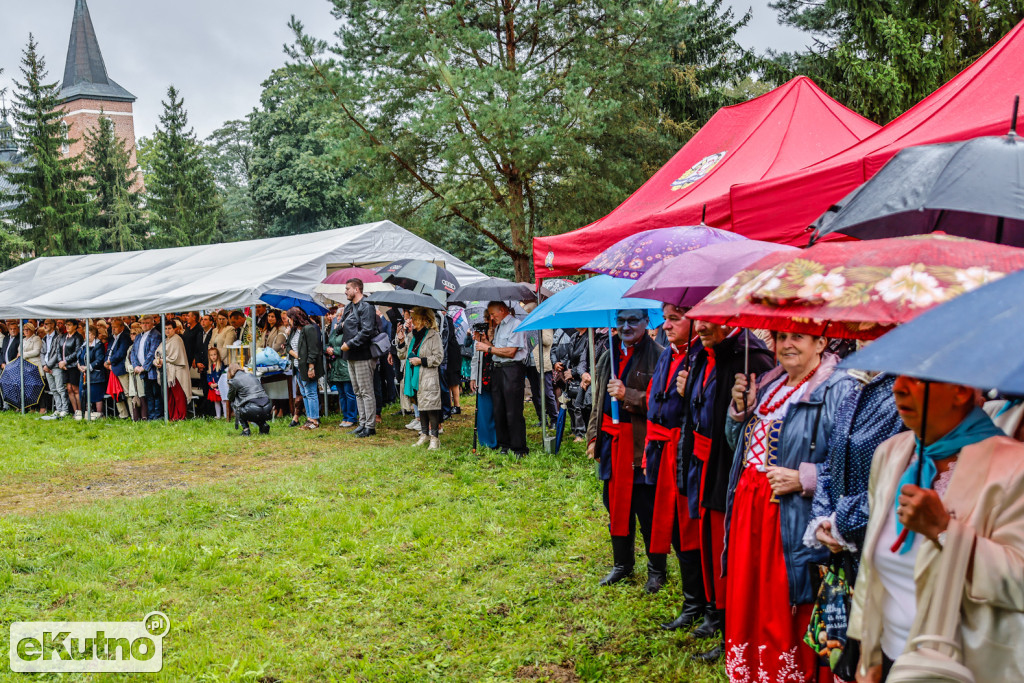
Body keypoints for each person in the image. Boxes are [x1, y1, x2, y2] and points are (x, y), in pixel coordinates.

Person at [849, 378, 1024, 682]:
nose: (898, 387)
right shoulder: (891, 453)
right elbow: (870, 565)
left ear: (961, 391)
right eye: (899, 374)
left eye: (918, 379)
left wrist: (943, 530)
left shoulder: (1014, 467)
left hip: (968, 669)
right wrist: (869, 651)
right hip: (894, 661)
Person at [723, 332, 855, 682]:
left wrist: (804, 478)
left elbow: (852, 467)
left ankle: (788, 672)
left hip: (789, 517)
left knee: (783, 598)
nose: (787, 345)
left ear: (821, 343)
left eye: (798, 337)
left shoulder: (838, 388)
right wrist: (739, 411)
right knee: (751, 594)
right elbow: (738, 446)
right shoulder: (769, 384)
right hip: (750, 509)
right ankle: (754, 670)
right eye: (782, 337)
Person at [676, 320, 775, 660]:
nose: (701, 325)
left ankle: (732, 629)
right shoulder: (708, 355)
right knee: (710, 543)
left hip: (731, 470)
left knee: (729, 551)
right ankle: (716, 616)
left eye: (709, 318)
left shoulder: (753, 358)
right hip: (705, 461)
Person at [586, 309, 662, 588]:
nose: (626, 326)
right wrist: (593, 436)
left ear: (646, 322)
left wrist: (626, 394)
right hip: (611, 443)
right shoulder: (608, 355)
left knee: (646, 507)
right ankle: (622, 564)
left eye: (633, 320)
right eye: (621, 321)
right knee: (615, 504)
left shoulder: (660, 356)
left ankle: (657, 570)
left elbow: (662, 403)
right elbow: (598, 399)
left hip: (641, 445)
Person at [642, 305, 702, 607]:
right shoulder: (668, 354)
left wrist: (691, 391)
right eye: (665, 319)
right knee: (674, 524)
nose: (665, 326)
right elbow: (654, 403)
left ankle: (699, 603)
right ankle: (691, 601)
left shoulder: (701, 356)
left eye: (674, 319)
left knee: (689, 528)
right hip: (661, 449)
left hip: (685, 453)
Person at [476, 302, 529, 457]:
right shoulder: (499, 327)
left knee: (513, 409)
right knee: (499, 409)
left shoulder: (516, 324)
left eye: (493, 314)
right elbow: (497, 350)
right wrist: (485, 341)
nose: (491, 318)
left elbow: (511, 352)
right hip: (498, 369)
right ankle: (504, 445)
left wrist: (488, 348)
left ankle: (519, 448)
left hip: (512, 370)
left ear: (502, 310)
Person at [397, 306, 445, 449]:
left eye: (415, 318)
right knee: (421, 405)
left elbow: (438, 357)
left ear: (425, 320)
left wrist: (421, 361)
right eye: (412, 318)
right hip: (413, 376)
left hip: (427, 377)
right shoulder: (411, 336)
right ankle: (424, 434)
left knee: (430, 407)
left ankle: (434, 438)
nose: (412, 321)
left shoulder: (433, 335)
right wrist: (401, 341)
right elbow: (402, 355)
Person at [339, 279, 377, 437]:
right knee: (357, 391)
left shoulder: (366, 306)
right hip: (350, 354)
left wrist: (350, 344)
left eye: (348, 288)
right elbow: (340, 325)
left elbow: (367, 330)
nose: (345, 291)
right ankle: (362, 423)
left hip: (363, 353)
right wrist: (340, 326)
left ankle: (370, 426)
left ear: (357, 289)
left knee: (366, 391)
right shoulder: (349, 307)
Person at [288, 306, 323, 430]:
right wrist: (296, 355)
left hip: (307, 365)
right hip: (297, 366)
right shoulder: (293, 331)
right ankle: (309, 418)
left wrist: (311, 367)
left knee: (311, 392)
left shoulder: (309, 329)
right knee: (304, 393)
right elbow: (287, 346)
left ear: (295, 318)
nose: (288, 321)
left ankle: (314, 420)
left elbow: (313, 350)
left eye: (289, 318)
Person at [154, 319, 191, 421]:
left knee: (178, 396)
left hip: (176, 372)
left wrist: (163, 360)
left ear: (175, 329)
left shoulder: (177, 339)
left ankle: (181, 416)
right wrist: (157, 361)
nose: (167, 331)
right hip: (167, 371)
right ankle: (173, 416)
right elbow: (157, 353)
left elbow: (175, 357)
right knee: (169, 396)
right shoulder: (165, 340)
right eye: (165, 328)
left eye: (169, 328)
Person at [326, 306, 358, 428]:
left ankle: (352, 417)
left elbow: (349, 347)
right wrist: (327, 349)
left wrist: (334, 350)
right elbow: (328, 343)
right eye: (338, 316)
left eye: (341, 316)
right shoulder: (335, 330)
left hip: (345, 364)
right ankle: (345, 417)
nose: (338, 318)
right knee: (342, 394)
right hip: (336, 366)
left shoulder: (349, 330)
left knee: (349, 393)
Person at [131, 316, 163, 421]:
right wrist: (136, 366)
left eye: (147, 323)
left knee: (156, 393)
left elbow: (152, 353)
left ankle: (157, 415)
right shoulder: (139, 336)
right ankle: (151, 415)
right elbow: (133, 352)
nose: (144, 325)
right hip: (143, 371)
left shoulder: (156, 335)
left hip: (152, 370)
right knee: (148, 394)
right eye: (143, 323)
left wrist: (144, 367)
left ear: (152, 323)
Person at [227, 363, 272, 436]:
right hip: (268, 408)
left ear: (230, 372)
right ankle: (263, 424)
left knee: (234, 403)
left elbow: (230, 397)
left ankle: (246, 430)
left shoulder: (234, 380)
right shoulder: (251, 375)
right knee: (255, 407)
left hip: (253, 409)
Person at [76, 322, 106, 420]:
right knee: (84, 394)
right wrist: (79, 365)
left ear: (93, 335)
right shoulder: (84, 344)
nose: (86, 335)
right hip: (83, 374)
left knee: (96, 396)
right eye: (85, 333)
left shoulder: (98, 345)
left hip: (95, 376)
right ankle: (85, 415)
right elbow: (79, 356)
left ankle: (99, 415)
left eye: (88, 333)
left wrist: (88, 367)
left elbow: (99, 359)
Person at [41, 320, 70, 419]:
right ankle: (58, 409)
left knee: (60, 389)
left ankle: (65, 409)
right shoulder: (44, 338)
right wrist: (44, 365)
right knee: (53, 389)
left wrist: (48, 365)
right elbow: (42, 352)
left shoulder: (59, 337)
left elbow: (58, 353)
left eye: (47, 324)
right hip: (47, 367)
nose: (44, 326)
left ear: (53, 325)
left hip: (56, 366)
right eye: (44, 324)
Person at [104, 318, 131, 419]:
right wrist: (106, 361)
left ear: (122, 327)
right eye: (112, 327)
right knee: (115, 391)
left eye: (115, 327)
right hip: (112, 368)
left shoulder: (125, 337)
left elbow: (121, 353)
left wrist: (109, 361)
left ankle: (133, 415)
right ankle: (123, 414)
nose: (113, 329)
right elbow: (109, 351)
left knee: (127, 392)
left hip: (121, 368)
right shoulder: (112, 337)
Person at [60, 319, 85, 419]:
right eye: (66, 324)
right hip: (64, 366)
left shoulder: (78, 337)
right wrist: (60, 362)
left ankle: (80, 411)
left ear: (75, 326)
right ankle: (75, 411)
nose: (67, 326)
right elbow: (59, 350)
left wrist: (65, 361)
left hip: (73, 366)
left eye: (69, 325)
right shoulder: (63, 337)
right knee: (69, 389)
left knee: (75, 389)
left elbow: (77, 352)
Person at [124, 322, 147, 421]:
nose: (132, 335)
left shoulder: (141, 346)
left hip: (140, 373)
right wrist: (130, 368)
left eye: (134, 333)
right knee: (133, 395)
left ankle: (144, 417)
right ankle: (136, 418)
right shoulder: (130, 347)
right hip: (132, 374)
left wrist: (137, 368)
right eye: (131, 334)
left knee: (142, 395)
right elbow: (126, 361)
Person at [206, 347, 227, 418]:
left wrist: (217, 383)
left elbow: (222, 375)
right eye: (211, 355)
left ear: (217, 355)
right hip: (213, 387)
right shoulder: (210, 365)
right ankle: (218, 416)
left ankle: (225, 415)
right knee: (216, 401)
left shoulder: (221, 364)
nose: (213, 356)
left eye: (214, 354)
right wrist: (210, 383)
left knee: (223, 401)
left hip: (220, 386)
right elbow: (208, 376)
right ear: (209, 356)